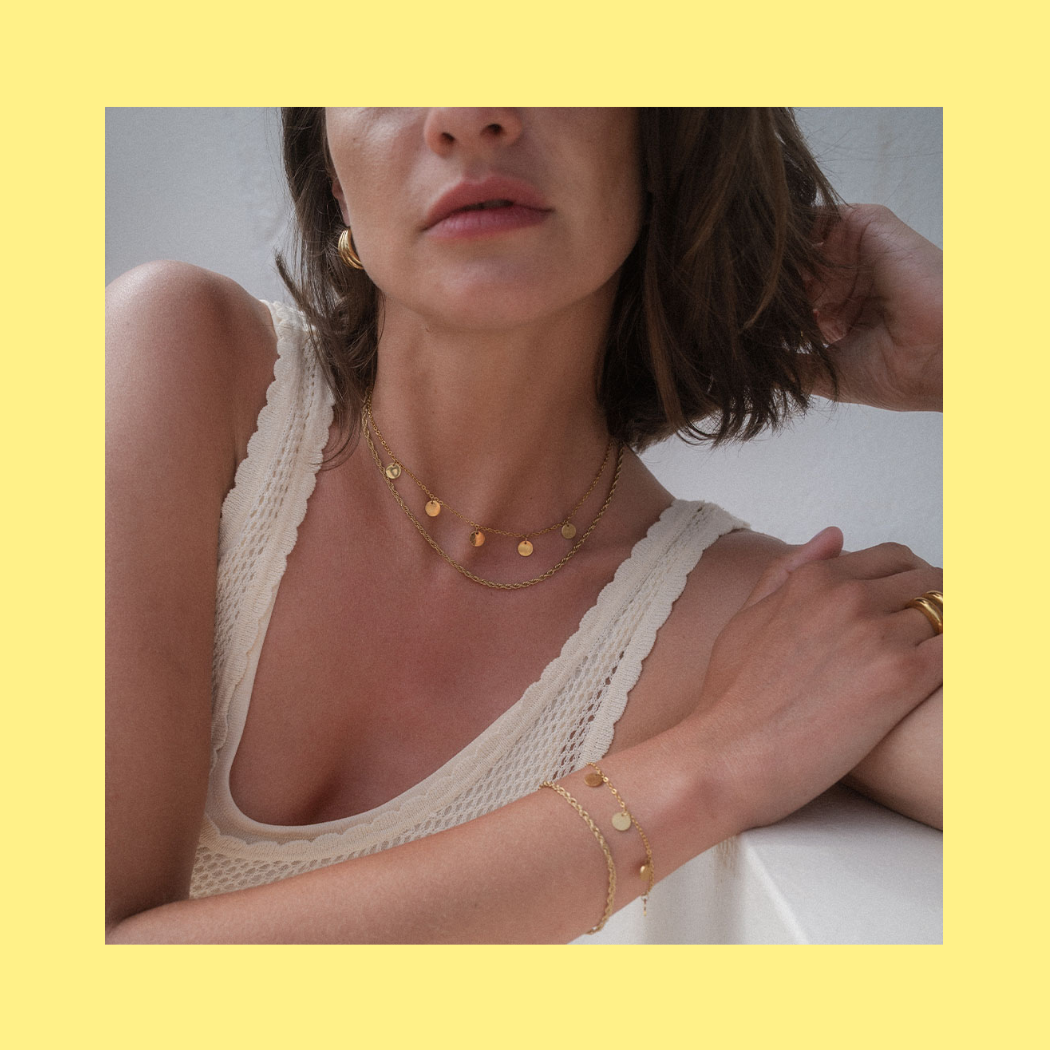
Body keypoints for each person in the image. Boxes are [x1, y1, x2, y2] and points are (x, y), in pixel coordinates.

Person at [106, 108, 943, 944]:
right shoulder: (180, 363)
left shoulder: (766, 622)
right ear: (334, 177)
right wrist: (712, 763)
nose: (467, 116)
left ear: (660, 135)